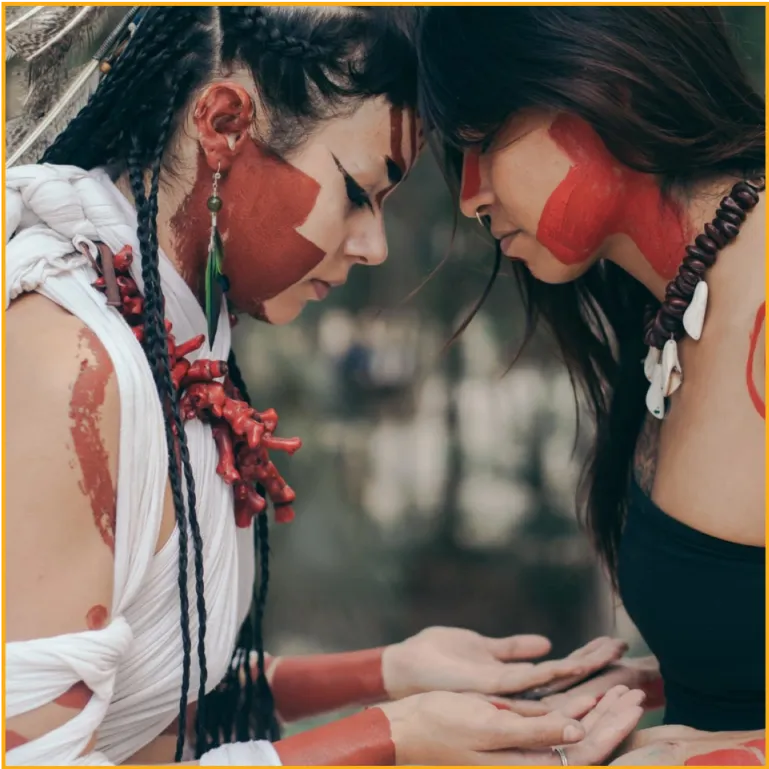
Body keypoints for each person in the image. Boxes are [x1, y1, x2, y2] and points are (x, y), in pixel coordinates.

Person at [5, 6, 644, 766]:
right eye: (356, 194)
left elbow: (141, 694)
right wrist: (389, 740)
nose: (372, 247)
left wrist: (388, 673)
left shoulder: (168, 329)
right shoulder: (68, 365)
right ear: (223, 123)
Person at [416, 5, 766, 766]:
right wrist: (642, 693)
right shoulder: (675, 300)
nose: (469, 196)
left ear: (604, 79)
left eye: (481, 141)